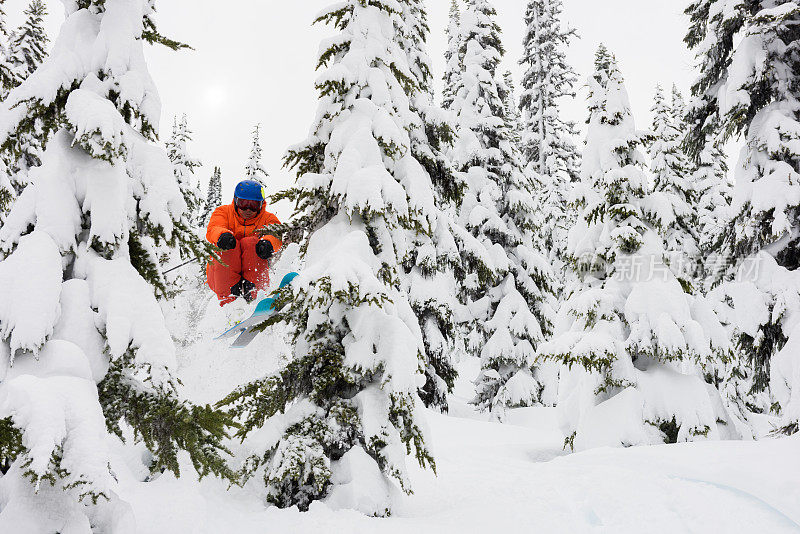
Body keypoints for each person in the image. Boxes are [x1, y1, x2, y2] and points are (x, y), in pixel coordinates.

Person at [206, 179, 282, 305]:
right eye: (243, 203)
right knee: (230, 247)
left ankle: (256, 299)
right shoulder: (223, 212)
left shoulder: (268, 219)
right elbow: (214, 227)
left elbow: (276, 234)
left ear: (261, 205)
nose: (248, 209)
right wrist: (222, 236)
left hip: (252, 272)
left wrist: (268, 243)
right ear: (236, 201)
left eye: (253, 205)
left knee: (251, 243)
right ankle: (229, 303)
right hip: (223, 274)